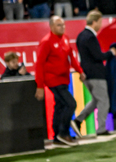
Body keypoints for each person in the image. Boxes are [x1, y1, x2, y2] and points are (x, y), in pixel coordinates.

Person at [35, 15, 85, 148]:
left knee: (61, 106)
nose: (62, 27)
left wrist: (79, 71)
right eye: (59, 25)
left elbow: (71, 57)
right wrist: (39, 86)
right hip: (52, 79)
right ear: (51, 27)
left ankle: (57, 136)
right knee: (70, 104)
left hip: (64, 78)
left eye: (63, 25)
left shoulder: (65, 39)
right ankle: (63, 133)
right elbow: (39, 64)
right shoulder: (46, 42)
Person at [71, 10, 116, 137]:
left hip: (87, 73)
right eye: (100, 22)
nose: (101, 24)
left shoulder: (81, 35)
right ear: (95, 21)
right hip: (96, 74)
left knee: (96, 101)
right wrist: (111, 53)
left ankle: (78, 120)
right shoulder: (90, 37)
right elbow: (98, 56)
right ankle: (101, 129)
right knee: (103, 101)